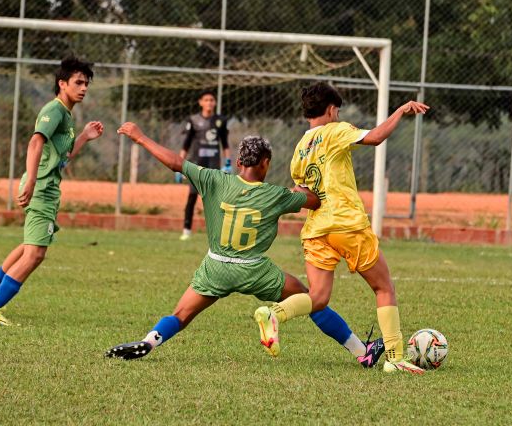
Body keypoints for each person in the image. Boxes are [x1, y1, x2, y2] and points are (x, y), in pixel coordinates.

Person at [106, 123, 385, 368]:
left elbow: (176, 163)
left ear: (239, 161)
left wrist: (140, 137)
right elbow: (314, 200)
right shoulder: (276, 195)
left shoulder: (213, 179)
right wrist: (304, 184)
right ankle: (361, 351)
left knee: (180, 314)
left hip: (215, 267)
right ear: (265, 163)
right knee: (311, 300)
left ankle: (149, 341)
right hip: (255, 270)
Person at [254, 82, 429, 374]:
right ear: (332, 109)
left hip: (316, 230)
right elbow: (374, 138)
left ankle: (275, 313)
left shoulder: (300, 149)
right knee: (383, 287)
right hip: (346, 224)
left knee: (319, 297)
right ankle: (396, 359)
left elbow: (302, 193)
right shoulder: (336, 130)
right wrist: (400, 111)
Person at [0, 56, 104, 326]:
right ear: (62, 83)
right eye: (78, 83)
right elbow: (35, 143)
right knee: (36, 253)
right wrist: (31, 180)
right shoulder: (54, 110)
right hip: (41, 188)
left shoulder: (66, 115)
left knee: (27, 246)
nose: (84, 88)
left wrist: (83, 138)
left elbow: (62, 156)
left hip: (47, 188)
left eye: (86, 84)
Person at [177, 90, 231, 241]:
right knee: (192, 196)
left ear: (214, 103)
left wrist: (228, 163)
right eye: (206, 100)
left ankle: (218, 232)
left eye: (211, 100)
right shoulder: (193, 120)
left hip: (214, 165)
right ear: (200, 102)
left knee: (216, 199)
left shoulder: (221, 120)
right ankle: (186, 230)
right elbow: (186, 144)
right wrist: (179, 165)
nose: (209, 103)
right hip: (196, 165)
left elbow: (225, 144)